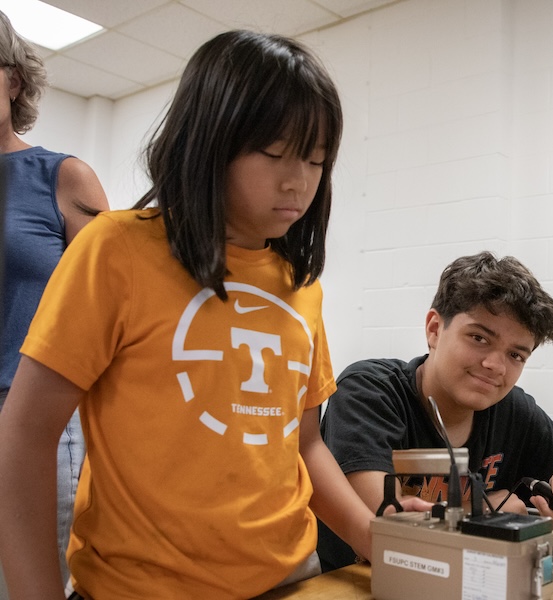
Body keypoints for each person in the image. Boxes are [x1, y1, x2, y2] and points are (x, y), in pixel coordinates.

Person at [0, 30, 424, 600]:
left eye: (316, 159)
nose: (297, 180)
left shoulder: (300, 285)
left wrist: (374, 536)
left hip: (289, 580)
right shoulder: (116, 249)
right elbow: (26, 433)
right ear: (209, 141)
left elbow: (305, 445)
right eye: (273, 153)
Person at [318, 251, 553, 571]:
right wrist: (491, 509)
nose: (495, 366)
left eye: (516, 355)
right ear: (434, 329)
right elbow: (389, 528)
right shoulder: (369, 392)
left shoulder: (513, 410)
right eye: (479, 338)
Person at [0, 9, 109, 592]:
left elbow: (120, 311)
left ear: (13, 79)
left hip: (44, 419)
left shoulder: (63, 178)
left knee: (43, 583)